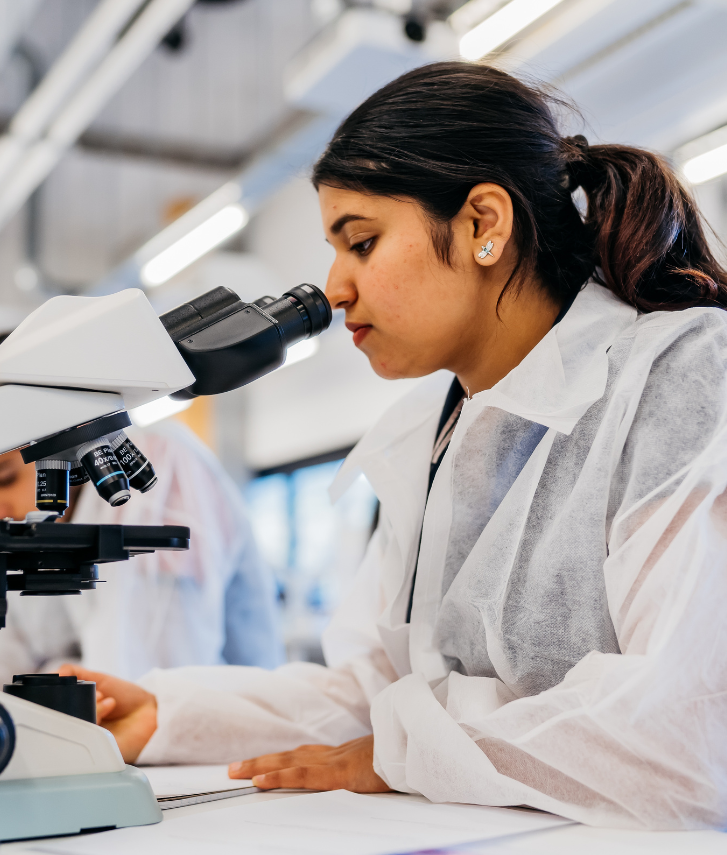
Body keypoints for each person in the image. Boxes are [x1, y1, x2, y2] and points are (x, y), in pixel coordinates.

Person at [63, 62, 727, 829]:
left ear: (483, 223)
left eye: (362, 241)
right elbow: (377, 691)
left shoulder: (683, 374)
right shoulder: (436, 433)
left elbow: (688, 732)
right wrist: (171, 715)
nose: (335, 286)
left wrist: (406, 749)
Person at [0, 335, 284, 686]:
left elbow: (144, 685)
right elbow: (3, 663)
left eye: (3, 478)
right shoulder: (44, 523)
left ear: (66, 431)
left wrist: (55, 671)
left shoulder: (157, 472)